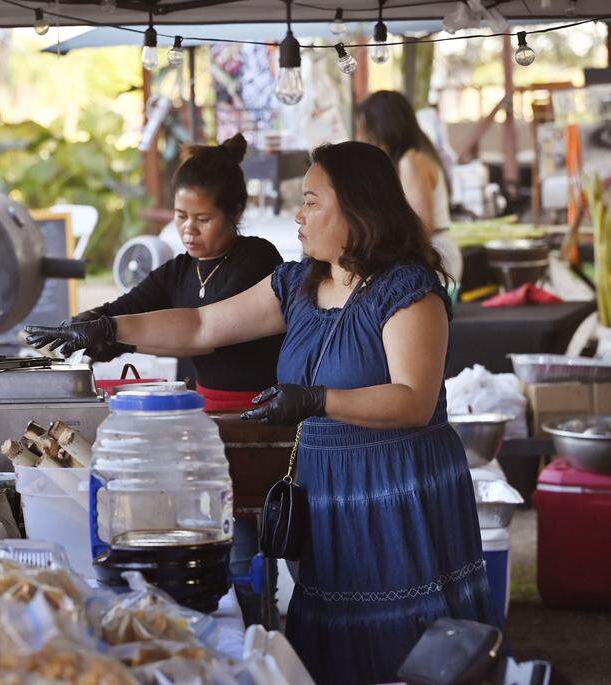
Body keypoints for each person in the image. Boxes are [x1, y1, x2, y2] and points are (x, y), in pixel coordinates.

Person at [26, 141, 494, 684]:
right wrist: (110, 329)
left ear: (358, 209)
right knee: (337, 641)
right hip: (327, 488)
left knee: (407, 642)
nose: (299, 214)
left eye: (312, 201)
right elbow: (202, 326)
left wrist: (320, 401)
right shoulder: (298, 283)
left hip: (396, 489)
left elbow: (413, 400)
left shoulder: (408, 290)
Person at [67, 133, 283, 625]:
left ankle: (264, 627)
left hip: (263, 423)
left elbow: (202, 334)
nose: (189, 230)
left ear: (234, 214)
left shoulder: (258, 260)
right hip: (209, 423)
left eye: (203, 219)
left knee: (253, 541)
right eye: (180, 217)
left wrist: (114, 335)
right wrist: (81, 327)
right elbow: (123, 309)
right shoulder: (178, 270)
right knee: (214, 533)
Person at [356, 90, 463, 283]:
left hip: (434, 256)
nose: (362, 139)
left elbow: (422, 225)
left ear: (384, 128)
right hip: (431, 255)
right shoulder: (412, 158)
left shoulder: (411, 161)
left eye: (366, 132)